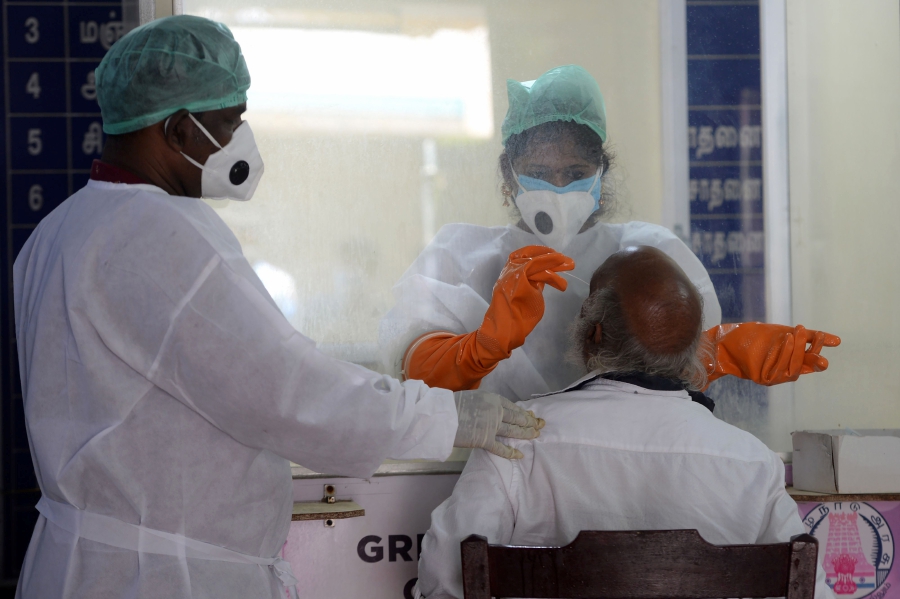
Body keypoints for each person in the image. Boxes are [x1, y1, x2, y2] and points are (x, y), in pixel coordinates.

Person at [12, 16, 542, 599]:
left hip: (82, 564)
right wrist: (448, 418)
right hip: (166, 577)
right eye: (227, 120)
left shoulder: (59, 232)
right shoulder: (163, 236)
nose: (241, 135)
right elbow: (286, 392)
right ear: (178, 130)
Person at [379, 65, 838, 402]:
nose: (558, 189)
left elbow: (675, 374)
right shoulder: (459, 255)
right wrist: (478, 349)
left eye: (576, 172)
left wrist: (723, 352)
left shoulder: (647, 254)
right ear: (508, 180)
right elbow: (411, 367)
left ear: (601, 177)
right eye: (538, 172)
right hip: (504, 464)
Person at [415, 246, 833, 599]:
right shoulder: (751, 465)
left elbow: (444, 582)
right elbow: (809, 587)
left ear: (593, 334)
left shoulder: (515, 439)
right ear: (695, 348)